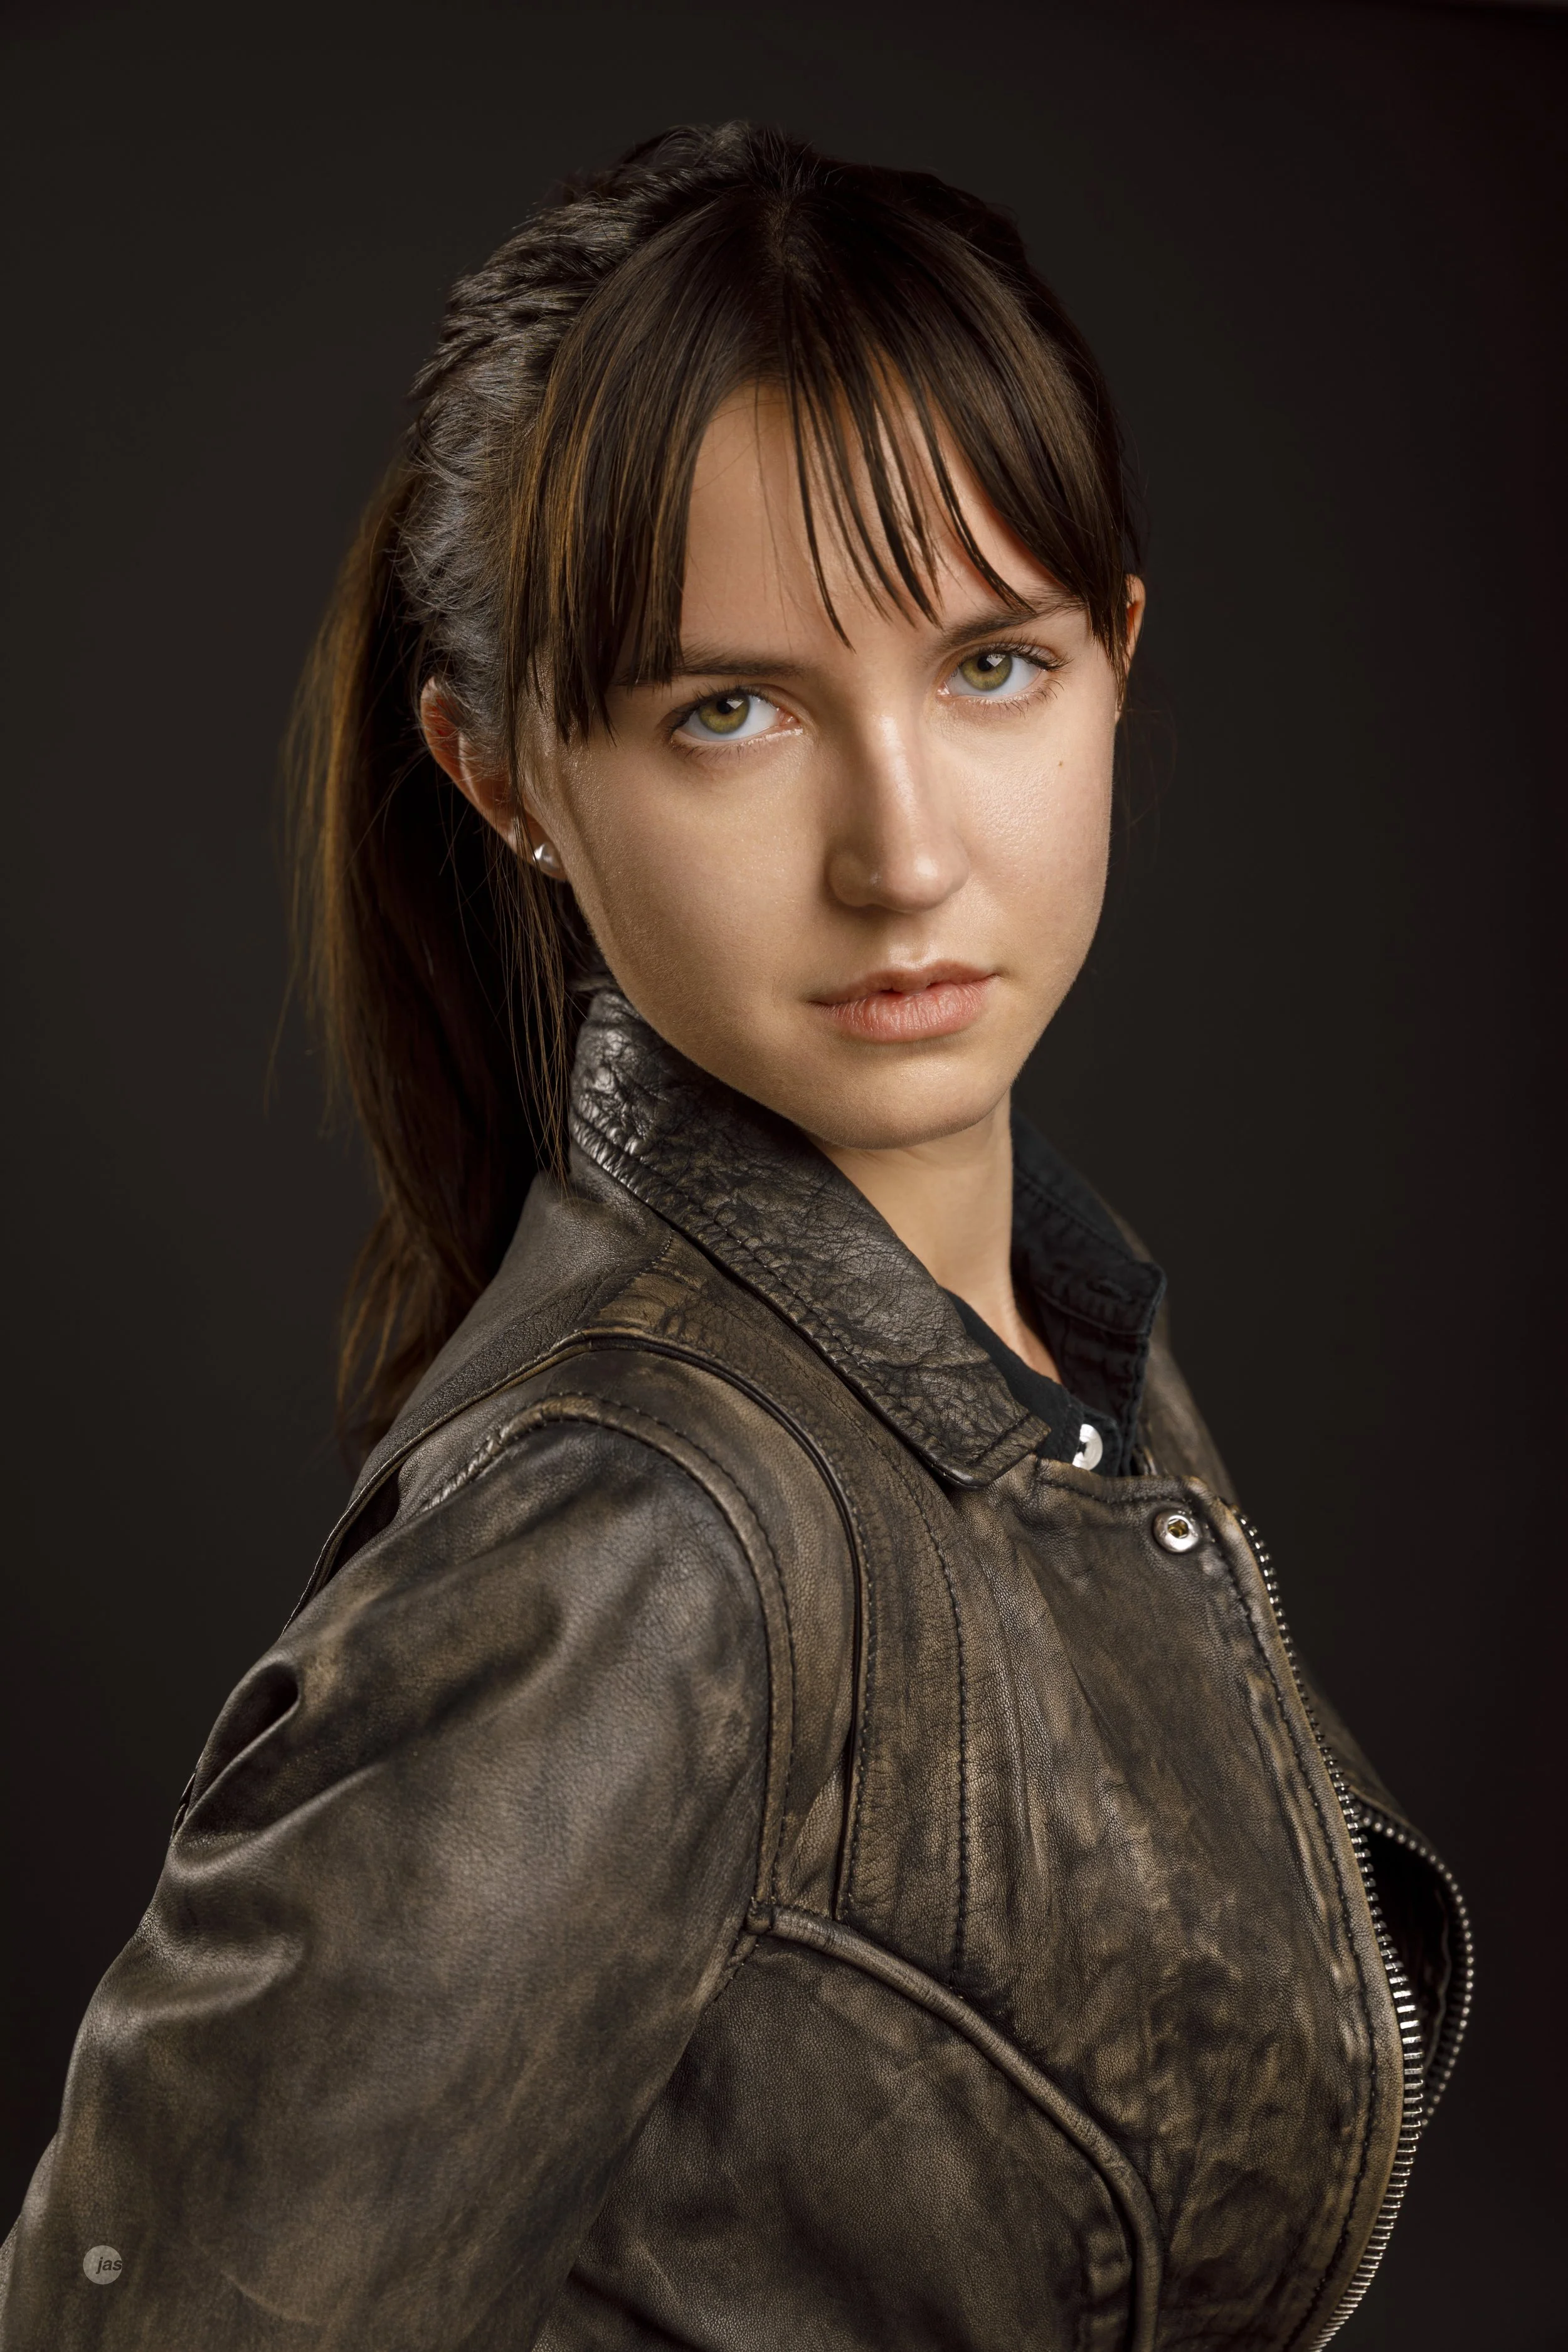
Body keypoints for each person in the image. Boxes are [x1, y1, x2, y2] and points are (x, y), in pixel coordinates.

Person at [0, 122, 1471, 2351]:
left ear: (1115, 658)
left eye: (991, 668)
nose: (900, 851)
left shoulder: (1049, 1338)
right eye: (732, 710)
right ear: (504, 776)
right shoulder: (627, 1545)